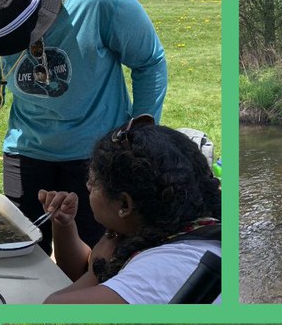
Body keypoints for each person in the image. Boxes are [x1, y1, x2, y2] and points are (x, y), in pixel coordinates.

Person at [0, 0, 166, 255]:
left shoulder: (101, 2)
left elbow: (149, 62)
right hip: (26, 155)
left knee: (93, 257)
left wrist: (139, 134)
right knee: (19, 250)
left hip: (98, 156)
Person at [39, 117, 222, 304]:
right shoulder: (173, 225)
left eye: (94, 183)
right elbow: (87, 271)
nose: (87, 186)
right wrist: (64, 225)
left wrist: (96, 270)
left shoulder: (158, 272)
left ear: (125, 205)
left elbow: (54, 306)